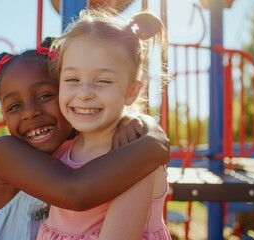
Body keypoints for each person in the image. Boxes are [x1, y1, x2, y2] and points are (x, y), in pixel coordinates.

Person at [0, 37, 170, 239]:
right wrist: (154, 140)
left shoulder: (71, 146)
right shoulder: (4, 152)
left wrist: (135, 120)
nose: (29, 113)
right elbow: (74, 193)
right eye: (14, 107)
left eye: (45, 96)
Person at [36, 9, 171, 239]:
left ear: (131, 91)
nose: (85, 93)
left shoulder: (136, 154)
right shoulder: (62, 148)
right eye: (72, 79)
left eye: (103, 81)